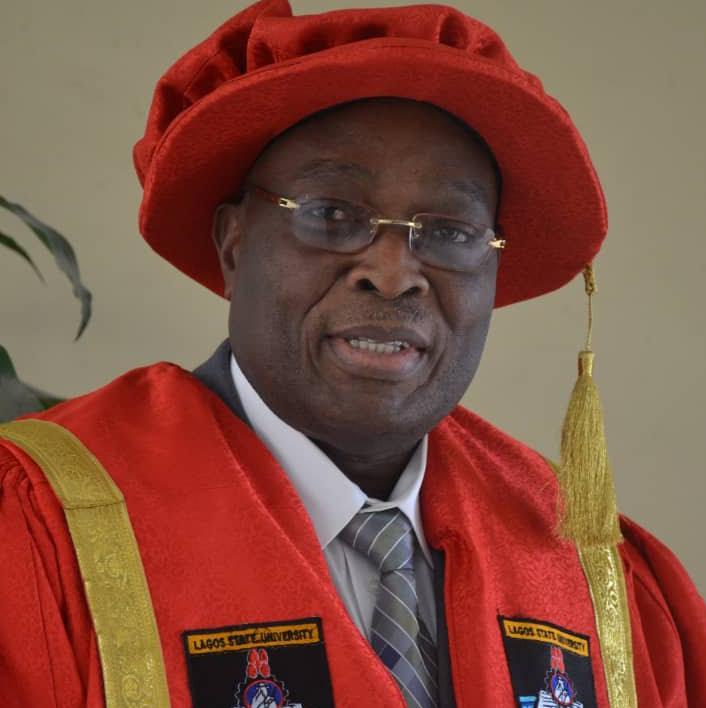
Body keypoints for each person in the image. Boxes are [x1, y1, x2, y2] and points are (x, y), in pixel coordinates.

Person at [0, 1, 704, 707]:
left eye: (450, 232)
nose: (393, 275)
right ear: (234, 245)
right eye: (332, 215)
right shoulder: (47, 530)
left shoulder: (589, 565)